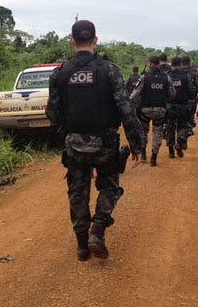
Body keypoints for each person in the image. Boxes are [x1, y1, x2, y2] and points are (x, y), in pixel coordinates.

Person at [46, 20, 142, 261]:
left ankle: (81, 246)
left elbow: (53, 114)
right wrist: (136, 145)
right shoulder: (109, 70)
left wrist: (67, 131)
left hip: (74, 144)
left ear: (72, 40)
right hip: (105, 143)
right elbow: (126, 109)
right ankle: (97, 229)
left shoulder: (60, 73)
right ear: (95, 40)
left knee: (77, 192)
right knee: (109, 186)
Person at [131, 55, 175, 167]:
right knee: (157, 133)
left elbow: (134, 94)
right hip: (160, 110)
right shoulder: (166, 77)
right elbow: (172, 94)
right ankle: (153, 158)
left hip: (145, 109)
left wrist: (135, 104)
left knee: (143, 131)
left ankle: (144, 153)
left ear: (150, 64)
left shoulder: (144, 77)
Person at [166, 57, 194, 158]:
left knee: (170, 127)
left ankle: (170, 151)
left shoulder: (167, 76)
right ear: (181, 64)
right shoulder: (186, 76)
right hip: (182, 105)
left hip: (169, 105)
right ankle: (179, 142)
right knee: (182, 125)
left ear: (171, 64)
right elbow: (191, 90)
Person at [182, 56, 198, 136]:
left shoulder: (178, 72)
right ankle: (189, 129)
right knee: (190, 114)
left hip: (179, 98)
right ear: (190, 62)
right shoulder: (195, 72)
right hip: (191, 98)